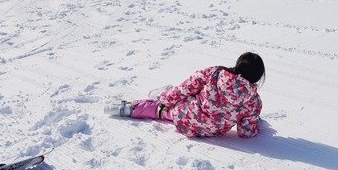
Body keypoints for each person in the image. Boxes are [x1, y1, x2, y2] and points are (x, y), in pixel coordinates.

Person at [105, 52, 265, 138]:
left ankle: (128, 108)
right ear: (258, 77)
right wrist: (254, 122)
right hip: (211, 130)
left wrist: (165, 100)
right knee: (177, 103)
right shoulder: (253, 102)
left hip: (186, 116)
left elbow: (186, 88)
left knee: (161, 110)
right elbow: (246, 132)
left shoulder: (216, 73)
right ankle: (160, 99)